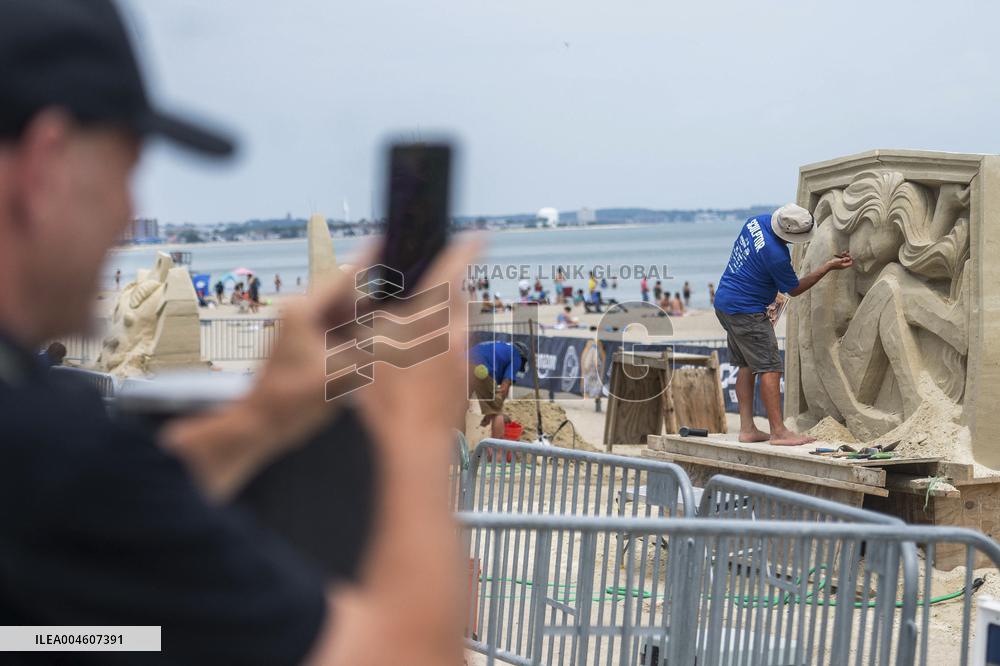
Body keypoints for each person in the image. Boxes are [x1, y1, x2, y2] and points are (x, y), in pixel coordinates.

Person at [0, 3, 474, 663]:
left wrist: (265, 415)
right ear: (44, 165)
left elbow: (81, 540)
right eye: (124, 171)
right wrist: (418, 429)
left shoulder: (40, 450)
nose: (130, 216)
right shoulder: (39, 442)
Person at [714, 204, 853, 446]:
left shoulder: (755, 222)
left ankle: (747, 428)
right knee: (770, 367)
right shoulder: (777, 254)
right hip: (747, 311)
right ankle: (778, 431)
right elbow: (794, 288)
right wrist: (827, 267)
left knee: (746, 365)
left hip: (726, 302)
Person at [468, 340, 529, 439]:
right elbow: (505, 386)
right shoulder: (517, 356)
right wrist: (495, 408)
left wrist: (489, 412)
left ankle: (456, 449)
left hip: (460, 363)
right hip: (480, 367)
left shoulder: (500, 347)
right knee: (497, 412)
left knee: (458, 407)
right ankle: (498, 453)